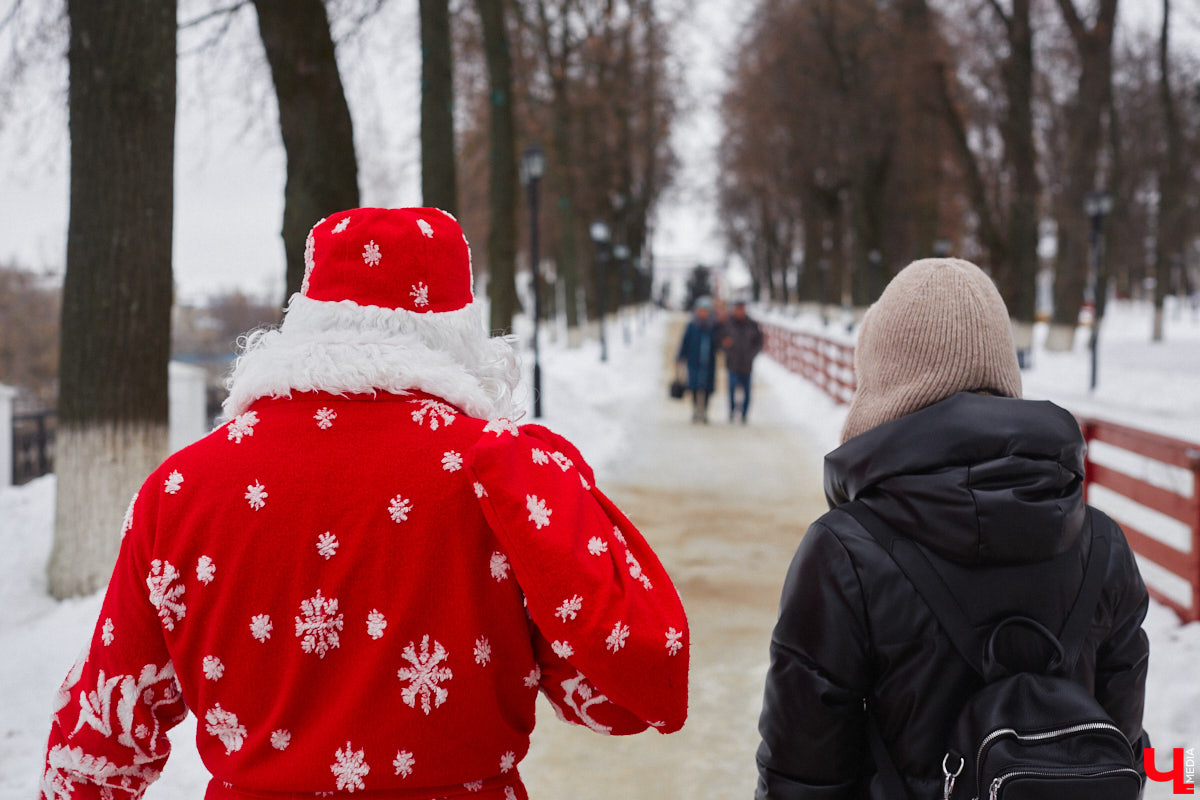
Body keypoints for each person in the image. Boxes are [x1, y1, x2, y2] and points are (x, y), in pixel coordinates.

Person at [41, 207, 690, 800]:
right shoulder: (502, 482)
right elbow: (609, 701)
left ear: (308, 316)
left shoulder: (183, 490)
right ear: (459, 330)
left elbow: (100, 740)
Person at [755, 258, 1148, 798]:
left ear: (885, 383)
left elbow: (800, 780)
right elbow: (1125, 751)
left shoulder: (845, 553)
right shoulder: (1102, 544)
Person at [719, 299, 763, 423]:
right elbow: (720, 339)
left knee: (747, 392)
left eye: (741, 309)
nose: (739, 311)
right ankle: (732, 411)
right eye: (737, 309)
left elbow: (759, 342)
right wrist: (727, 349)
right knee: (732, 389)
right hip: (732, 363)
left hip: (747, 364)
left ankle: (744, 414)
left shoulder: (752, 324)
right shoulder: (728, 323)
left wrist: (752, 354)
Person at [676, 297, 719, 423]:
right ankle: (695, 410)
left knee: (707, 388)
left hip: (709, 362)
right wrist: (680, 357)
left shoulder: (713, 325)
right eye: (701, 310)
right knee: (694, 386)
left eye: (705, 310)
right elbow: (685, 342)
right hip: (694, 360)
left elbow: (719, 341)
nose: (703, 313)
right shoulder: (692, 325)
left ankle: (704, 411)